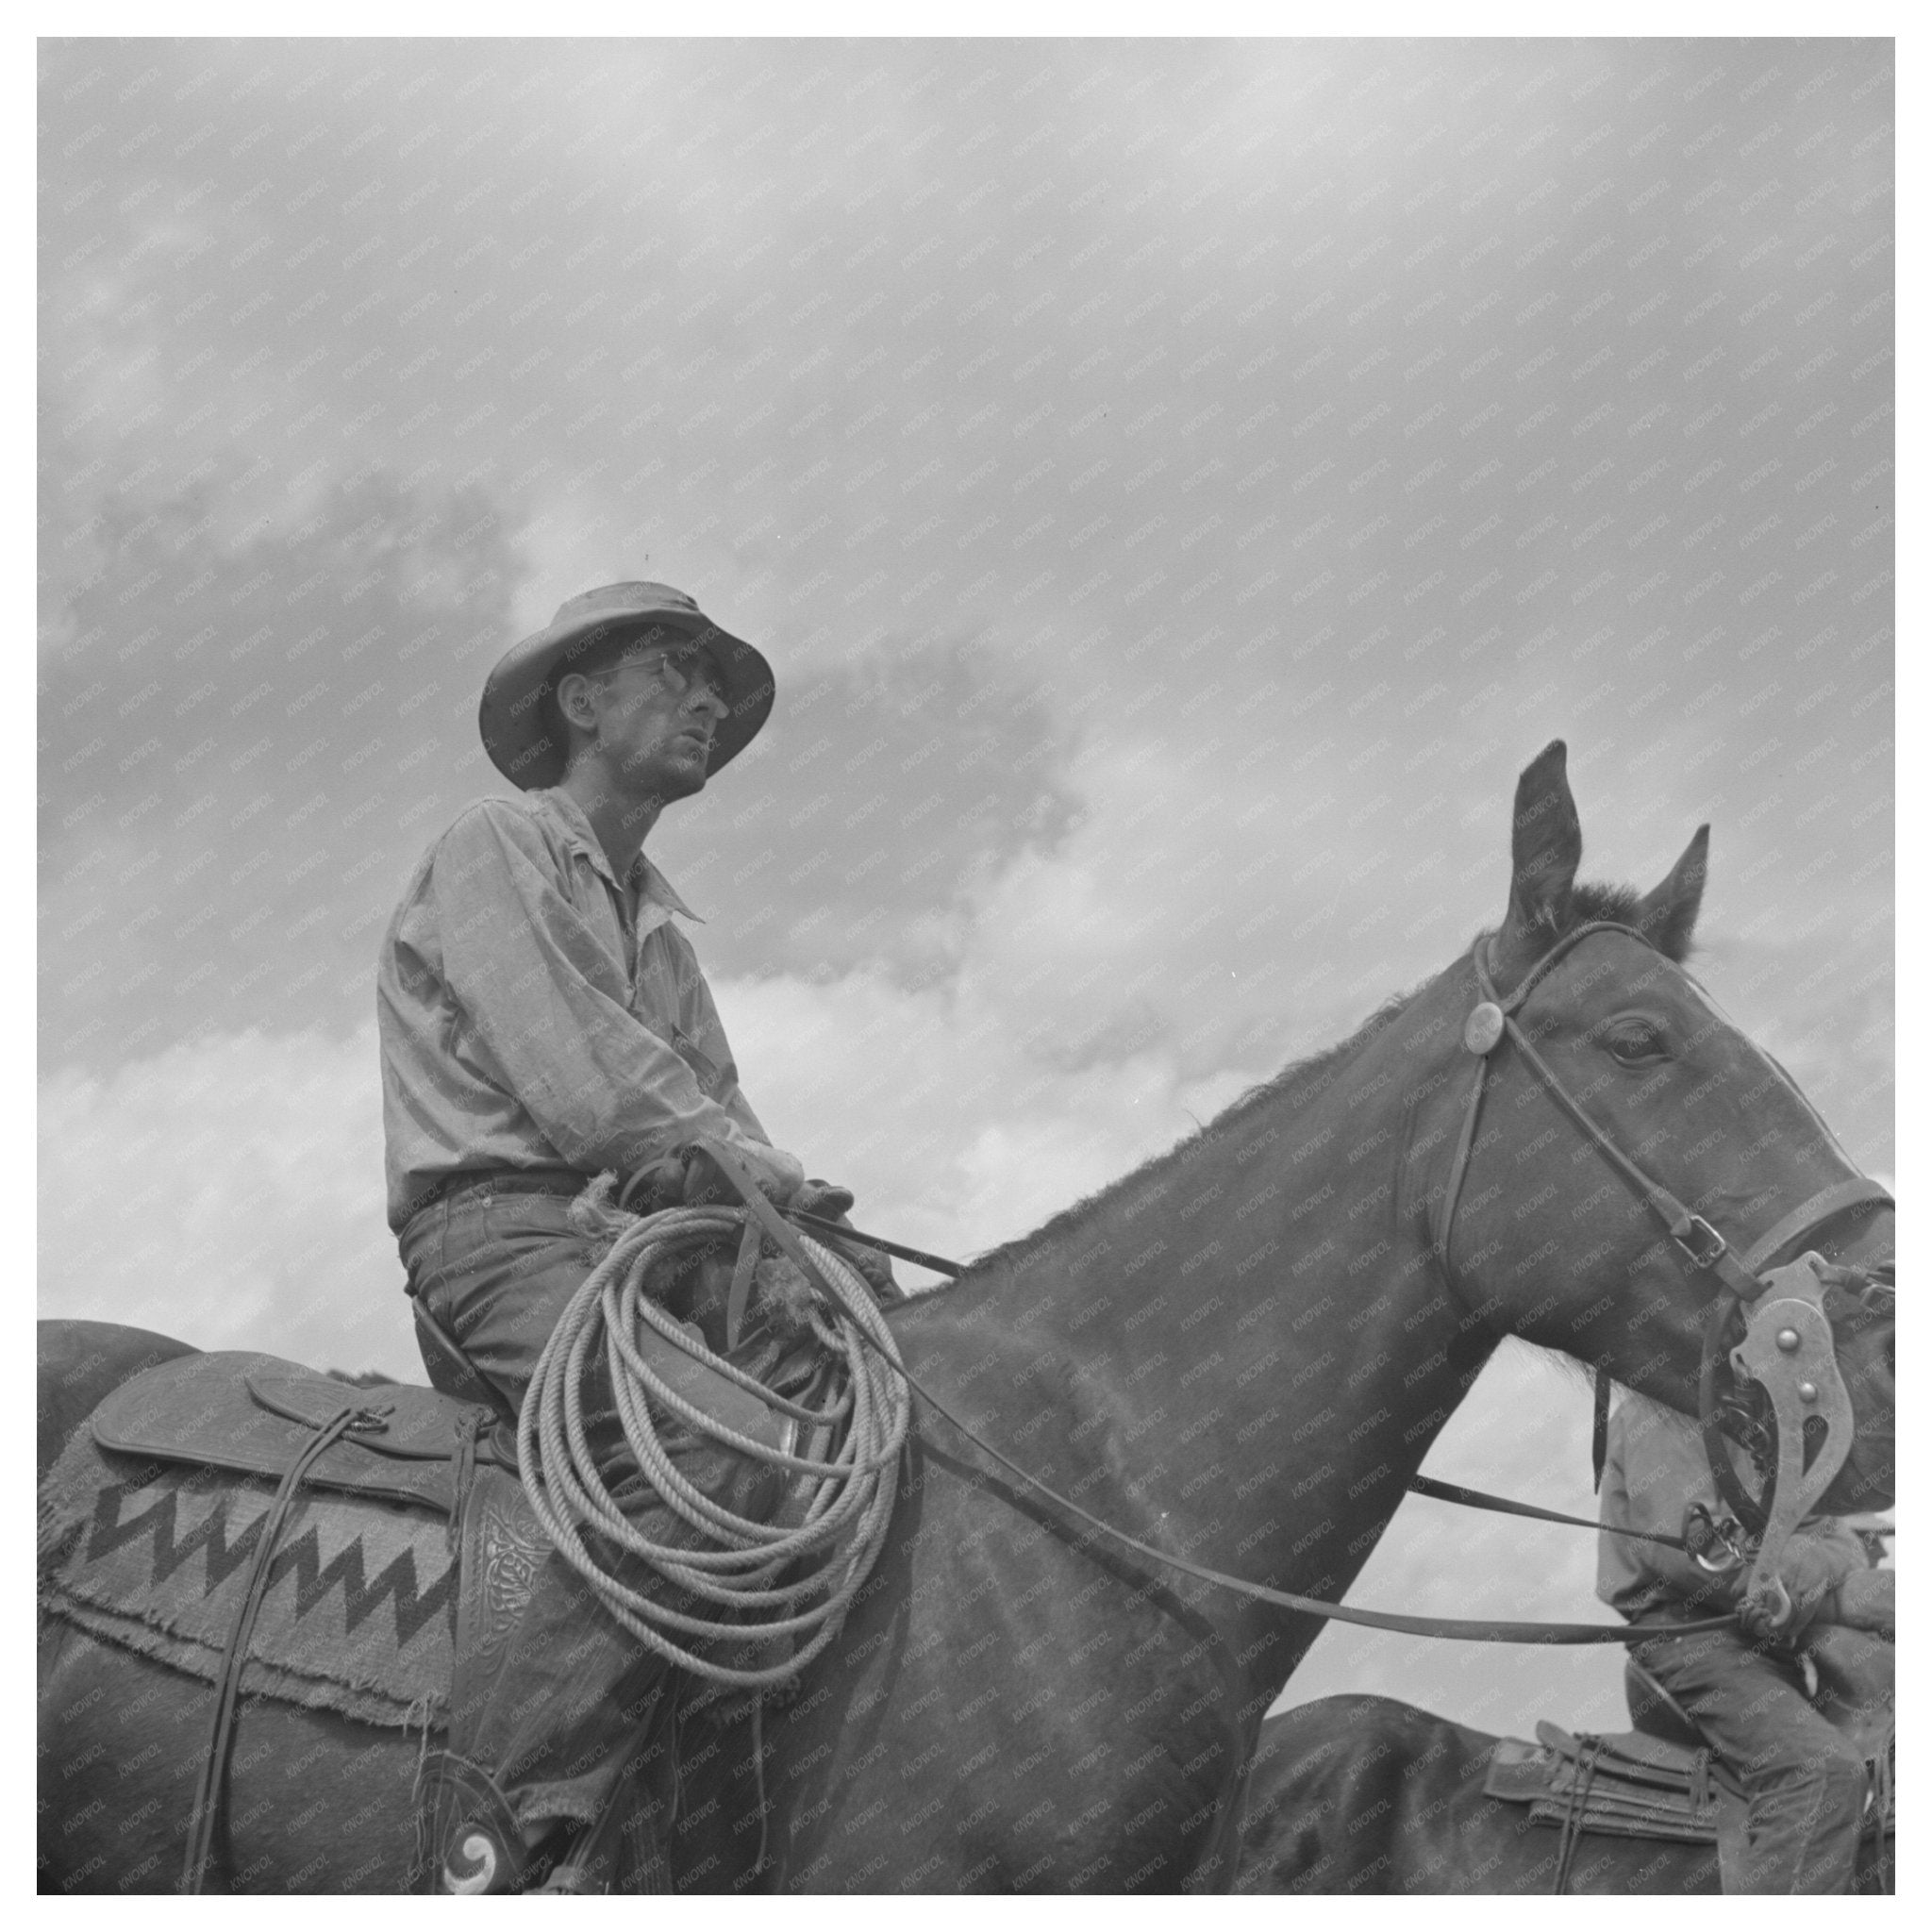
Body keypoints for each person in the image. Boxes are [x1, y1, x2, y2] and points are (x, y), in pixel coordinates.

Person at [376, 581, 889, 1890]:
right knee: (719, 1457)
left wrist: (816, 1245)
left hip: (630, 1246)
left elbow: (719, 1111)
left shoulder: (662, 927)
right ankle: (509, 1837)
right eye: (679, 671)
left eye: (716, 684)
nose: (709, 702)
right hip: (502, 1240)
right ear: (583, 700)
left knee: (869, 1418)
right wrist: (763, 1180)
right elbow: (594, 1089)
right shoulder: (495, 845)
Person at [1597, 1396, 1876, 1893]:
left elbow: (1843, 1541)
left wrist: (1792, 1578)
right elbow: (1700, 1559)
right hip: (1695, 1639)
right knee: (1821, 1775)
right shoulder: (1662, 1406)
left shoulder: (1766, 1421)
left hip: (1773, 1643)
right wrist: (1810, 1585)